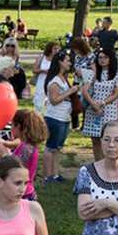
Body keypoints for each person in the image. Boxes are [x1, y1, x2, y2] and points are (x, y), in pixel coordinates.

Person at [82, 47, 118, 161]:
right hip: (93, 110)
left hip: (108, 110)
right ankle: (98, 164)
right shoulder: (95, 73)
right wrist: (93, 104)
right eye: (100, 57)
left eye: (105, 57)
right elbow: (85, 90)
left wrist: (103, 103)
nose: (102, 60)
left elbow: (117, 93)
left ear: (110, 59)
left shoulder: (116, 73)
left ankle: (108, 164)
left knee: (108, 139)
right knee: (95, 140)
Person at [43, 51, 78, 183]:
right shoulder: (55, 81)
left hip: (64, 118)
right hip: (54, 118)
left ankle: (55, 174)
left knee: (57, 148)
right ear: (60, 62)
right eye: (67, 60)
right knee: (50, 147)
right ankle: (47, 176)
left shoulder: (63, 78)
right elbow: (54, 100)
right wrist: (70, 91)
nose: (69, 63)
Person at [0, 110, 47, 201]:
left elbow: (15, 168)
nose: (11, 128)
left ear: (18, 126)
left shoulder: (27, 148)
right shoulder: (26, 145)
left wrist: (4, 154)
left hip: (23, 194)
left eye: (12, 125)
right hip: (21, 191)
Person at [32, 42, 59, 113]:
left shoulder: (58, 60)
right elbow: (34, 70)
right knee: (39, 104)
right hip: (41, 82)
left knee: (50, 103)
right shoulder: (41, 57)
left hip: (52, 83)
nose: (56, 50)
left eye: (57, 49)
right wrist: (43, 70)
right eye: (55, 48)